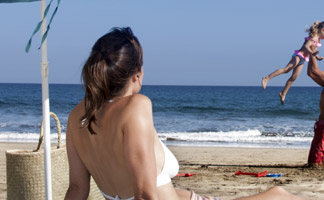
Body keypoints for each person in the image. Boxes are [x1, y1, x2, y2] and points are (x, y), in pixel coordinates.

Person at [65, 27, 305, 200]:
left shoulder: (77, 116)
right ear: (136, 73)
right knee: (280, 195)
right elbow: (145, 193)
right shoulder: (136, 106)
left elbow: (77, 189)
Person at [261, 21, 324, 105]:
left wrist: (317, 57)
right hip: (298, 55)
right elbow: (306, 46)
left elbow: (313, 49)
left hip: (303, 59)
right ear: (323, 30)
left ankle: (283, 93)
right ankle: (267, 78)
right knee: (287, 69)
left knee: (294, 77)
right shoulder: (313, 37)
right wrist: (312, 53)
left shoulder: (318, 40)